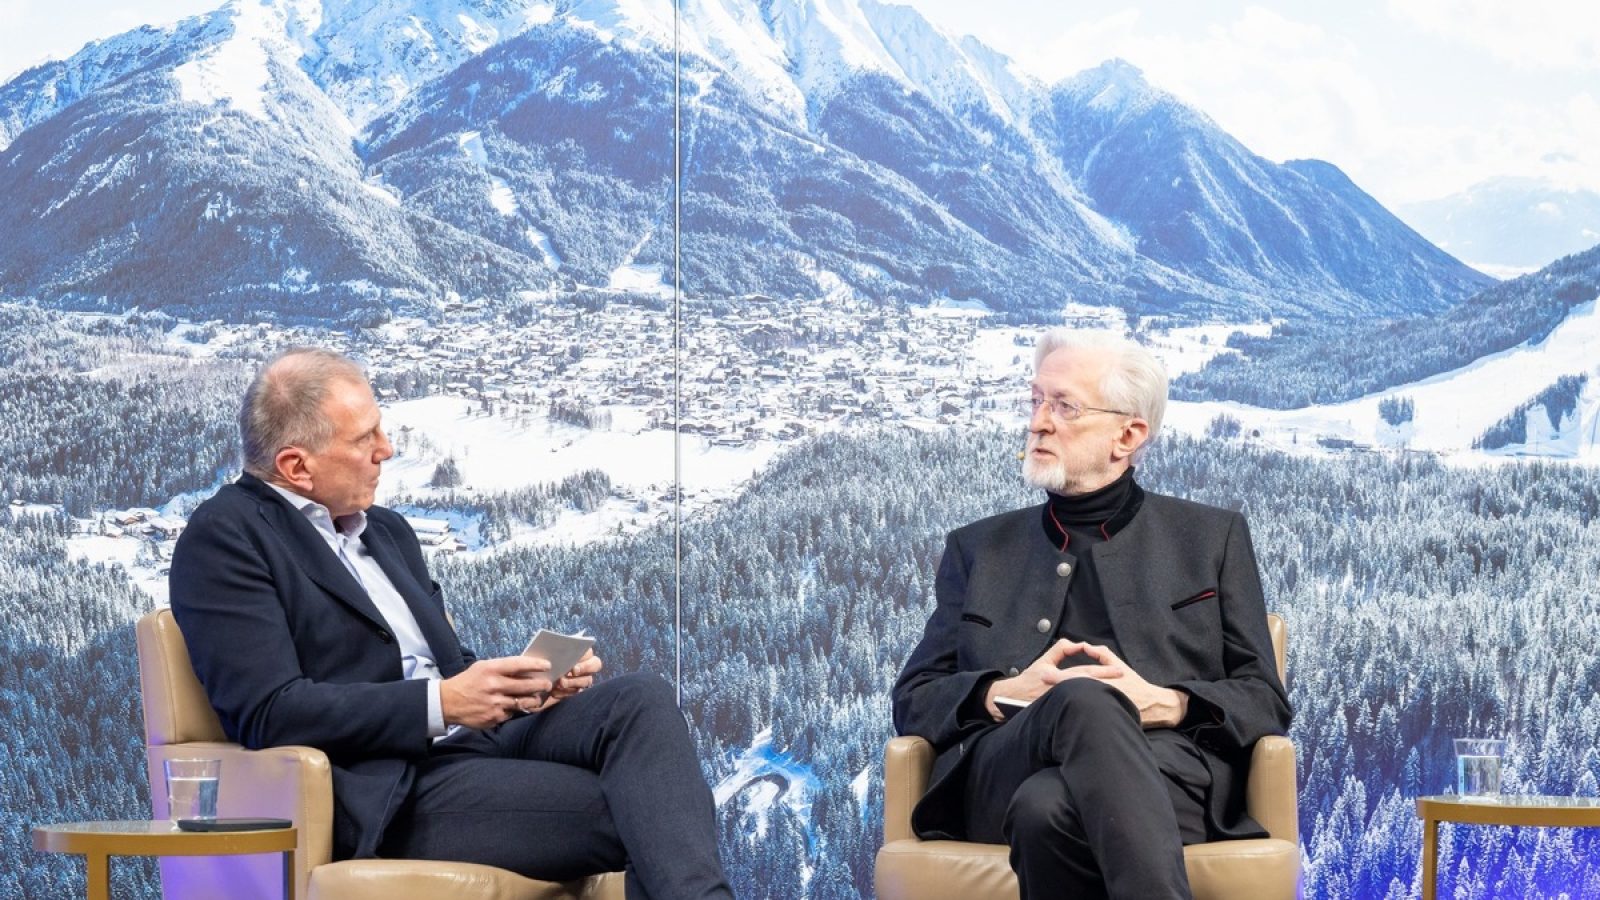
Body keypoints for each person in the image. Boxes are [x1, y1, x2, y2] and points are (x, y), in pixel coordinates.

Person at [170, 348, 732, 898]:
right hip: (396, 784)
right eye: (365, 439)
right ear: (296, 466)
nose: (386, 450)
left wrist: (525, 686)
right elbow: (270, 711)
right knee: (645, 809)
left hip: (480, 741)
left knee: (641, 700)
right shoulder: (227, 536)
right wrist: (440, 705)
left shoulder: (386, 532)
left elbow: (447, 664)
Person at [891, 329, 1292, 900]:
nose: (1038, 423)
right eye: (1035, 401)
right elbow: (913, 699)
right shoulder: (977, 549)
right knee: (1079, 699)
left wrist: (1167, 702)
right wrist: (1004, 692)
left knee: (1045, 809)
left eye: (1064, 406)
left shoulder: (1210, 538)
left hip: (1165, 777)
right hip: (1003, 768)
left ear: (1127, 435)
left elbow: (1264, 699)